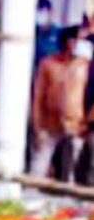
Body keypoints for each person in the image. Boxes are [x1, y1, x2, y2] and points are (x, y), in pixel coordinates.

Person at [31, 26, 91, 179]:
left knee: (71, 168)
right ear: (67, 41)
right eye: (76, 40)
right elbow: (38, 95)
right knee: (39, 165)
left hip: (77, 123)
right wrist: (37, 125)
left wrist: (88, 121)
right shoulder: (49, 63)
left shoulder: (86, 65)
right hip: (50, 122)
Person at [35, 0, 61, 69]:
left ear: (51, 12)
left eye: (42, 12)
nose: (39, 16)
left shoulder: (59, 33)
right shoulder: (32, 33)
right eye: (37, 12)